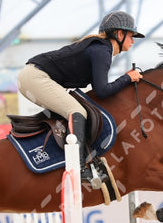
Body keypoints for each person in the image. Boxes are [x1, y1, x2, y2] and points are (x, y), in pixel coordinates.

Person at [17, 10, 144, 188]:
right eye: (132, 35)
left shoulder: (100, 49)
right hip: (35, 77)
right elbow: (102, 91)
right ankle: (78, 167)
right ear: (119, 34)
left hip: (32, 77)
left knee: (73, 112)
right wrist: (127, 78)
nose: (133, 40)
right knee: (77, 111)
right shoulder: (102, 51)